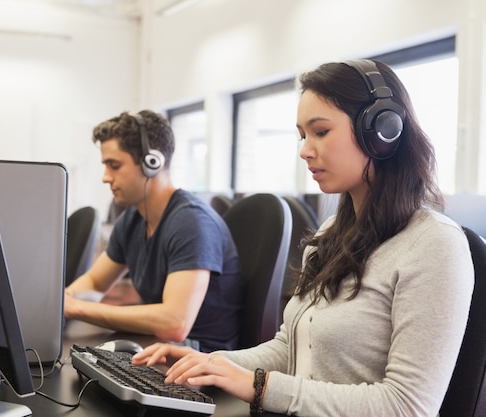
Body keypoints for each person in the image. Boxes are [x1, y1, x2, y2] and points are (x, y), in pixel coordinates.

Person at [132, 60, 474, 416]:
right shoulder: (330, 236)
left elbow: (408, 407)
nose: (305, 150)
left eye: (321, 132)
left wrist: (260, 387)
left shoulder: (434, 246)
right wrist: (211, 362)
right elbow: (290, 349)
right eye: (302, 135)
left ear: (382, 131)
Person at [64, 110, 244, 352]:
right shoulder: (133, 218)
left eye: (114, 166)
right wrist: (61, 302)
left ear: (152, 163)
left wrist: (76, 308)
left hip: (200, 357)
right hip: (160, 346)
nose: (106, 178)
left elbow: (175, 323)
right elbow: (95, 283)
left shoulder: (191, 222)